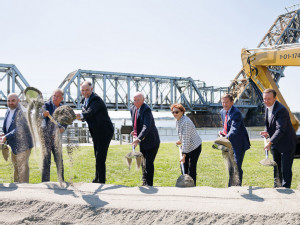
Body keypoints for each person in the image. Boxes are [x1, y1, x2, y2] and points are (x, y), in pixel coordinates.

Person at [76, 81, 114, 183]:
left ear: (91, 89)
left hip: (105, 131)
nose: (85, 92)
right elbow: (86, 115)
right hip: (96, 132)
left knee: (100, 157)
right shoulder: (85, 100)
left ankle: (101, 181)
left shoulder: (96, 99)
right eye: (83, 90)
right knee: (97, 155)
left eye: (87, 90)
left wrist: (77, 116)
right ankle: (97, 178)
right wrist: (80, 117)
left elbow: (90, 112)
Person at [260, 88, 297, 188]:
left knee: (285, 169)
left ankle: (286, 190)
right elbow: (271, 124)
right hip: (276, 143)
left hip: (287, 143)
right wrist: (267, 132)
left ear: (275, 98)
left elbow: (280, 129)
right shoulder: (267, 107)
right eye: (264, 99)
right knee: (276, 167)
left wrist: (270, 142)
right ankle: (277, 187)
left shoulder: (281, 110)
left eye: (269, 99)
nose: (266, 101)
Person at [0, 93, 33, 183]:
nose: (11, 103)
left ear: (18, 101)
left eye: (13, 100)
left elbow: (20, 128)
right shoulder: (8, 110)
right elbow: (9, 126)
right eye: (9, 101)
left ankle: (24, 189)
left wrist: (6, 137)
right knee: (16, 168)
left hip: (24, 144)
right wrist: (4, 134)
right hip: (14, 144)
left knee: (22, 169)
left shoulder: (23, 111)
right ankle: (18, 189)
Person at [219, 94, 250, 186]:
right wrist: (223, 134)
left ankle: (237, 186)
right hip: (229, 142)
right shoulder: (222, 111)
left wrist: (225, 137)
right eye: (223, 102)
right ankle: (231, 186)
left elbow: (234, 129)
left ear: (232, 102)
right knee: (230, 166)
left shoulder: (236, 113)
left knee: (236, 166)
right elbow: (227, 127)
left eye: (226, 102)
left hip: (238, 143)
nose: (224, 104)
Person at [131, 92, 160, 186]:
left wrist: (138, 138)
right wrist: (134, 133)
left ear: (143, 100)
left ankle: (149, 184)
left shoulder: (146, 110)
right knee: (143, 163)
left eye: (138, 100)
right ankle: (144, 182)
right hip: (143, 142)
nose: (136, 102)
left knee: (148, 164)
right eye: (134, 100)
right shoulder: (132, 109)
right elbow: (136, 124)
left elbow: (146, 126)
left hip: (152, 141)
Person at [171, 103, 202, 186]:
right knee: (183, 166)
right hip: (187, 144)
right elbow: (183, 135)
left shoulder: (186, 122)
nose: (174, 114)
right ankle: (185, 184)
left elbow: (187, 139)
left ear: (182, 112)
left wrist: (184, 155)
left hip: (195, 146)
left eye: (176, 112)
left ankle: (192, 186)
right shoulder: (178, 120)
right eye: (173, 112)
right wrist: (180, 140)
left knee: (191, 168)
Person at [41, 89, 66, 182]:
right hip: (46, 138)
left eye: (57, 96)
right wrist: (43, 114)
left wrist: (63, 128)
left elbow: (65, 122)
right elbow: (39, 114)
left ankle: (61, 181)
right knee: (46, 162)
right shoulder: (46, 105)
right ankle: (45, 182)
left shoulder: (63, 109)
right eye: (54, 96)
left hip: (57, 139)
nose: (55, 98)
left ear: (62, 98)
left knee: (59, 161)